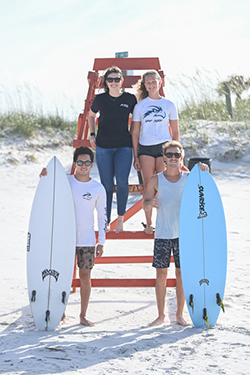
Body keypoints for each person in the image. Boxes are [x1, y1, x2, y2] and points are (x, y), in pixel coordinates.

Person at [143, 141, 209, 326]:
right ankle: (161, 315)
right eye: (170, 155)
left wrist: (203, 168)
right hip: (162, 234)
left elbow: (205, 188)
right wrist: (150, 206)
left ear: (182, 157)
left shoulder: (188, 178)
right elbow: (145, 203)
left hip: (184, 235)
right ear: (164, 157)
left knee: (181, 275)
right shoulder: (156, 180)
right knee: (161, 276)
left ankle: (179, 315)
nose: (173, 158)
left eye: (177, 155)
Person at [40, 147, 107, 326]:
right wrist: (43, 176)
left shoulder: (97, 188)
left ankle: (82, 315)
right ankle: (61, 314)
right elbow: (46, 191)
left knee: (85, 277)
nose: (83, 166)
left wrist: (101, 241)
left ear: (91, 164)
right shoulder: (64, 182)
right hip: (65, 239)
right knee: (63, 278)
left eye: (87, 162)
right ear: (74, 163)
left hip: (87, 241)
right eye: (80, 162)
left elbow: (102, 217)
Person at [88, 66, 137, 232]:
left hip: (124, 145)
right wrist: (92, 134)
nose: (114, 82)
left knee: (122, 182)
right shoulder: (100, 99)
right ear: (106, 82)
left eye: (117, 79)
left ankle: (121, 219)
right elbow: (91, 115)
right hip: (103, 146)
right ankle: (106, 220)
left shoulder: (130, 99)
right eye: (111, 79)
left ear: (122, 81)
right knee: (107, 185)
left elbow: (138, 118)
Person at [131, 70, 180, 234]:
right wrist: (136, 155)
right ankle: (149, 223)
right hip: (146, 148)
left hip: (164, 148)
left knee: (164, 185)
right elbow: (135, 133)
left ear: (160, 83)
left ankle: (165, 221)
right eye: (148, 82)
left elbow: (175, 131)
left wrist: (177, 152)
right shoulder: (140, 106)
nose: (151, 84)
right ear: (144, 85)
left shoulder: (169, 105)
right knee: (148, 185)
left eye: (154, 81)